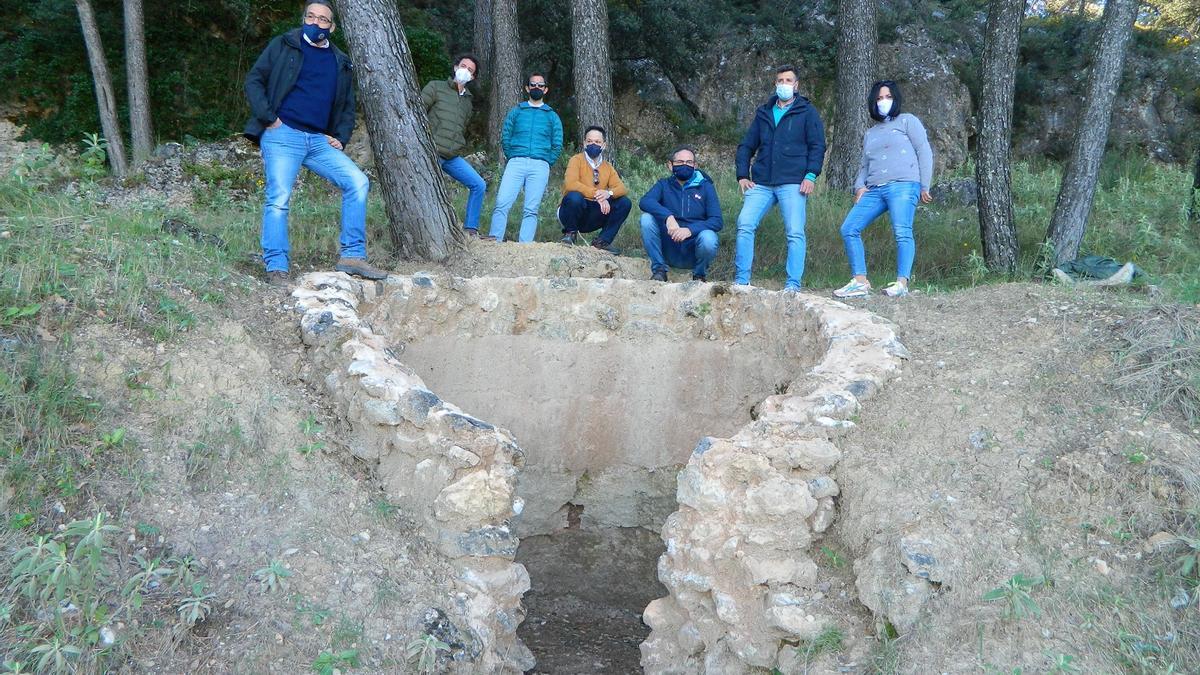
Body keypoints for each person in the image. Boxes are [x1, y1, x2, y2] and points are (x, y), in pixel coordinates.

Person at [243, 0, 386, 286]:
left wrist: (340, 138)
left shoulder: (340, 60)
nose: (315, 23)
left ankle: (352, 257)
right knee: (279, 199)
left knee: (357, 182)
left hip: (319, 141)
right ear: (304, 18)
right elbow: (254, 80)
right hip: (283, 134)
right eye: (311, 16)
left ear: (331, 27)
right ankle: (276, 268)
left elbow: (346, 105)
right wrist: (269, 118)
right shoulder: (285, 45)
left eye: (323, 20)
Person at [833, 80, 934, 299]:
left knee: (902, 231)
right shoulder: (871, 133)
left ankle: (901, 283)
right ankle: (860, 281)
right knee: (849, 228)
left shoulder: (908, 121)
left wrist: (924, 184)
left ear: (895, 99)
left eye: (887, 97)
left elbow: (923, 150)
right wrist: (859, 186)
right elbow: (864, 164)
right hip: (875, 189)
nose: (883, 101)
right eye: (879, 98)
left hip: (904, 184)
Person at [733, 65, 826, 291]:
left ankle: (792, 285)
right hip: (762, 182)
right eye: (780, 80)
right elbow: (747, 145)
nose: (783, 84)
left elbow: (818, 145)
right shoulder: (763, 112)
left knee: (795, 232)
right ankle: (741, 281)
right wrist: (742, 175)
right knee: (744, 224)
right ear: (775, 84)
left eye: (788, 80)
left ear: (796, 85)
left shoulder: (807, 111)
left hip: (793, 181)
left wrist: (811, 175)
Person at [485, 73, 564, 242]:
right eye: (533, 85)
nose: (536, 88)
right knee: (502, 203)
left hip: (540, 165)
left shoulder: (552, 116)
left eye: (540, 85)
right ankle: (494, 241)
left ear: (546, 89)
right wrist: (512, 155)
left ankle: (525, 246)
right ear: (527, 88)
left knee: (531, 209)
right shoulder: (517, 111)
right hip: (516, 162)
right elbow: (506, 135)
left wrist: (547, 161)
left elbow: (557, 143)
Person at [422, 54, 487, 236]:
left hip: (451, 157)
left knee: (478, 185)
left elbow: (462, 127)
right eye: (463, 66)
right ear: (455, 67)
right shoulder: (435, 87)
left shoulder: (468, 101)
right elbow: (417, 112)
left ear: (472, 77)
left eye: (470, 70)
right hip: (431, 152)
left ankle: (470, 230)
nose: (465, 70)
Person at [638, 146, 723, 282]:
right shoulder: (663, 184)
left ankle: (699, 275)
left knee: (709, 237)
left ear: (695, 165)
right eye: (680, 162)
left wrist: (690, 230)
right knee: (646, 219)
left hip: (693, 246)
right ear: (670, 165)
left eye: (689, 162)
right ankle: (659, 270)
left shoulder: (706, 187)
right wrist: (668, 217)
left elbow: (717, 220)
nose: (685, 165)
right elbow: (645, 201)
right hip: (669, 243)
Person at [558, 126, 630, 253]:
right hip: (572, 211)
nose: (593, 144)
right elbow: (570, 184)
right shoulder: (576, 160)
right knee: (574, 196)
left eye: (597, 142)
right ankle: (570, 234)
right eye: (590, 141)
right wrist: (597, 194)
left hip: (594, 213)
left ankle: (602, 241)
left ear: (604, 145)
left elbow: (622, 188)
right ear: (585, 143)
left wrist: (608, 194)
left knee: (624, 202)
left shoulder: (607, 167)